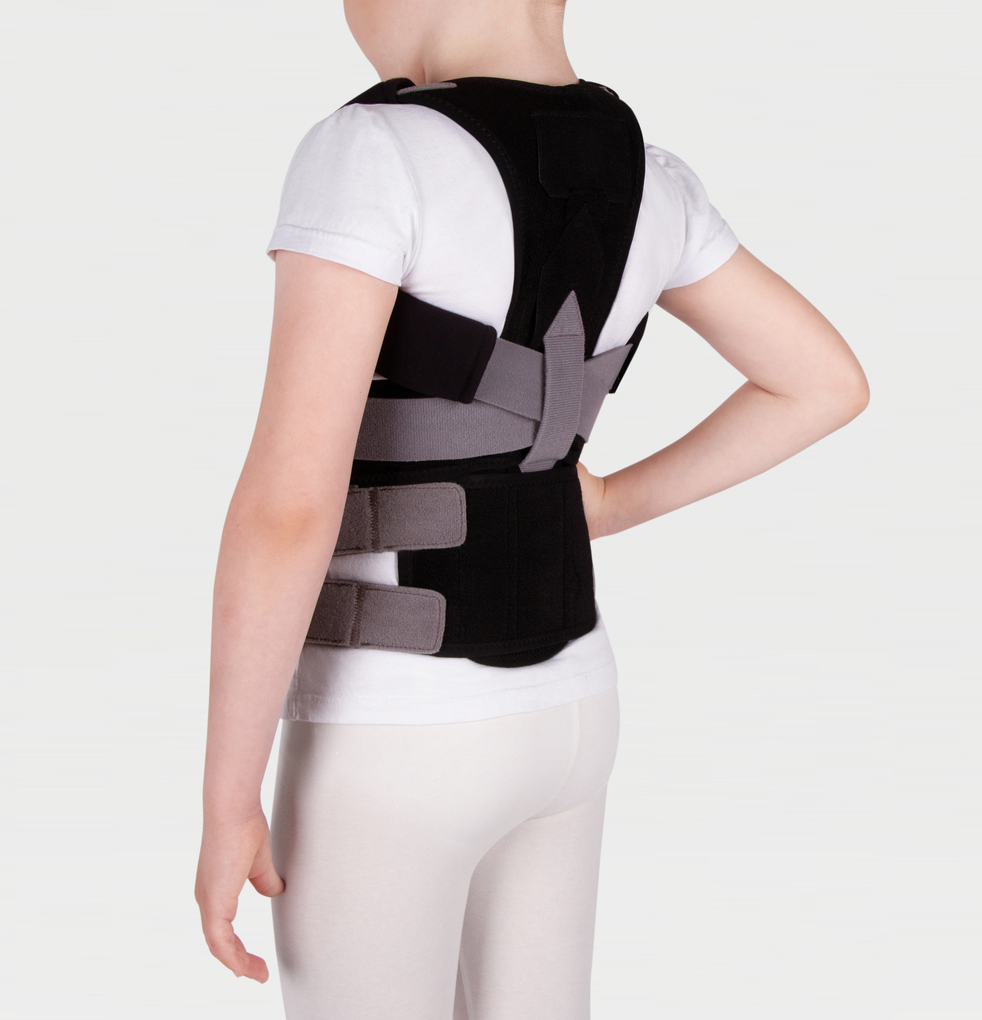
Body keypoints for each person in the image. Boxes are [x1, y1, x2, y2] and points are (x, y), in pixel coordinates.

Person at [194, 1, 870, 1017]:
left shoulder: (372, 150)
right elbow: (823, 382)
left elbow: (289, 508)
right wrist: (611, 502)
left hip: (396, 730)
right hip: (571, 712)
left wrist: (226, 799)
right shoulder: (651, 176)